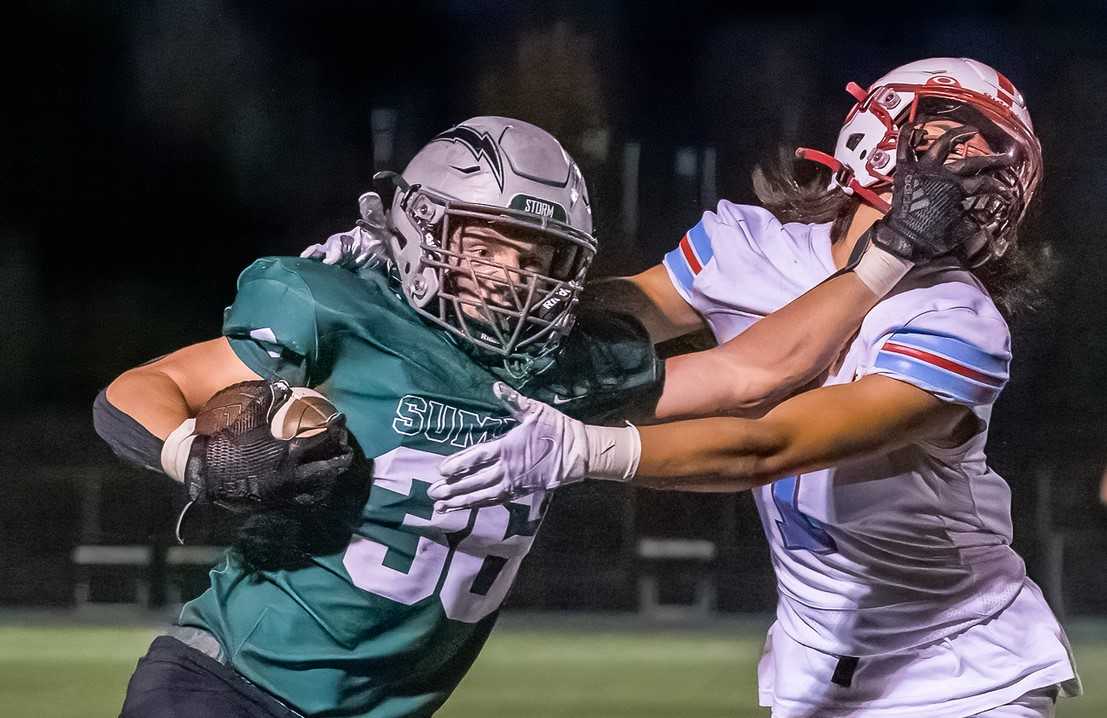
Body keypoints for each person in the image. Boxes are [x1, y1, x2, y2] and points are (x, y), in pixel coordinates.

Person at [93, 113, 929, 717]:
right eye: (486, 244)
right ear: (422, 229)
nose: (510, 275)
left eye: (539, 257)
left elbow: (754, 371)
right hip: (226, 691)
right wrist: (194, 459)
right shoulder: (338, 310)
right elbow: (135, 392)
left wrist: (888, 256)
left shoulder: (554, 369)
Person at [429, 59, 1082, 717]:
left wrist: (583, 449)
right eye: (957, 139)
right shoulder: (749, 243)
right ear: (876, 132)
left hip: (963, 674)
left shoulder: (957, 318)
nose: (978, 171)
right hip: (815, 675)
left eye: (997, 159)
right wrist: (472, 307)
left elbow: (768, 446)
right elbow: (607, 321)